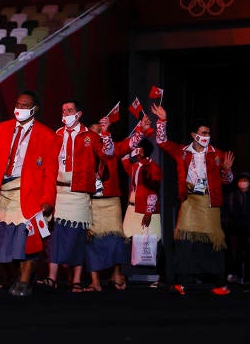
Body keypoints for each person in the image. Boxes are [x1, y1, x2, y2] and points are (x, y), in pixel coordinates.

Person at [0, 90, 61, 297]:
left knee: (28, 239)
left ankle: (25, 281)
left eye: (25, 106)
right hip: (4, 192)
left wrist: (48, 200)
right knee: (6, 241)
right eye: (18, 104)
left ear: (35, 109)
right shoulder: (4, 128)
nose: (20, 109)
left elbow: (51, 174)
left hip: (29, 191)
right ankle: (18, 276)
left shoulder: (47, 135)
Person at [151, 104, 235, 296]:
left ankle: (220, 283)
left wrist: (228, 171)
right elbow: (162, 142)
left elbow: (227, 181)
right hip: (189, 200)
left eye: (208, 133)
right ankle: (181, 282)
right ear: (193, 135)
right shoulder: (182, 151)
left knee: (215, 242)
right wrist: (162, 120)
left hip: (209, 202)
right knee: (185, 241)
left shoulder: (217, 154)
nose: (206, 136)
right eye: (203, 133)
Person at [39, 98, 111, 292]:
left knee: (78, 237)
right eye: (63, 110)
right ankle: (52, 278)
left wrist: (106, 134)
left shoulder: (90, 136)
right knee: (56, 237)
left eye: (70, 110)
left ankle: (77, 281)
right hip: (60, 191)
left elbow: (107, 154)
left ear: (78, 114)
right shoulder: (57, 134)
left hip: (78, 192)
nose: (66, 114)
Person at [85, 116, 140, 291]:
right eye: (93, 131)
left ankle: (116, 274)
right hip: (91, 201)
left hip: (111, 201)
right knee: (91, 240)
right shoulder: (83, 153)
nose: (97, 134)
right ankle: (95, 281)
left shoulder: (113, 149)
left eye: (99, 131)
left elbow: (132, 142)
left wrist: (143, 129)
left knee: (116, 240)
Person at [120, 131, 164, 288]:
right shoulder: (134, 166)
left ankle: (160, 277)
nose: (135, 151)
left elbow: (154, 190)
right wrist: (129, 142)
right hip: (132, 210)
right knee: (126, 241)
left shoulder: (154, 168)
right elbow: (123, 157)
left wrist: (149, 211)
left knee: (153, 241)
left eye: (138, 149)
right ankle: (125, 278)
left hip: (147, 211)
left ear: (144, 151)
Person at [222, 171, 250, 287]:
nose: (243, 183)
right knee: (235, 253)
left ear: (249, 183)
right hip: (236, 228)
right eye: (240, 180)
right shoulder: (231, 196)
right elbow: (227, 212)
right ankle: (236, 276)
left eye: (245, 181)